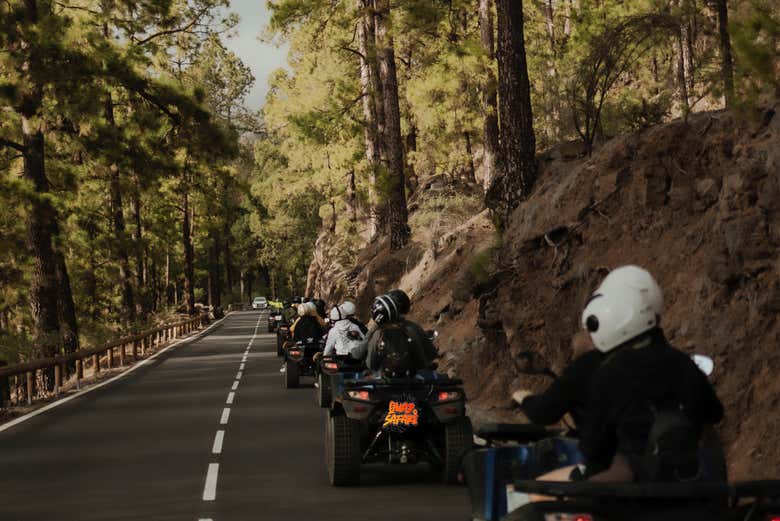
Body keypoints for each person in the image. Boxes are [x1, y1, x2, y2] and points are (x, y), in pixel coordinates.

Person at [513, 265, 664, 430]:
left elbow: (545, 412)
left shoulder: (590, 368)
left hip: (617, 454)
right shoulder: (679, 361)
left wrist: (524, 398)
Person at [359, 289, 438, 377]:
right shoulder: (413, 328)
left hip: (387, 379)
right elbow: (429, 357)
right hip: (413, 378)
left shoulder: (377, 332)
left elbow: (370, 363)